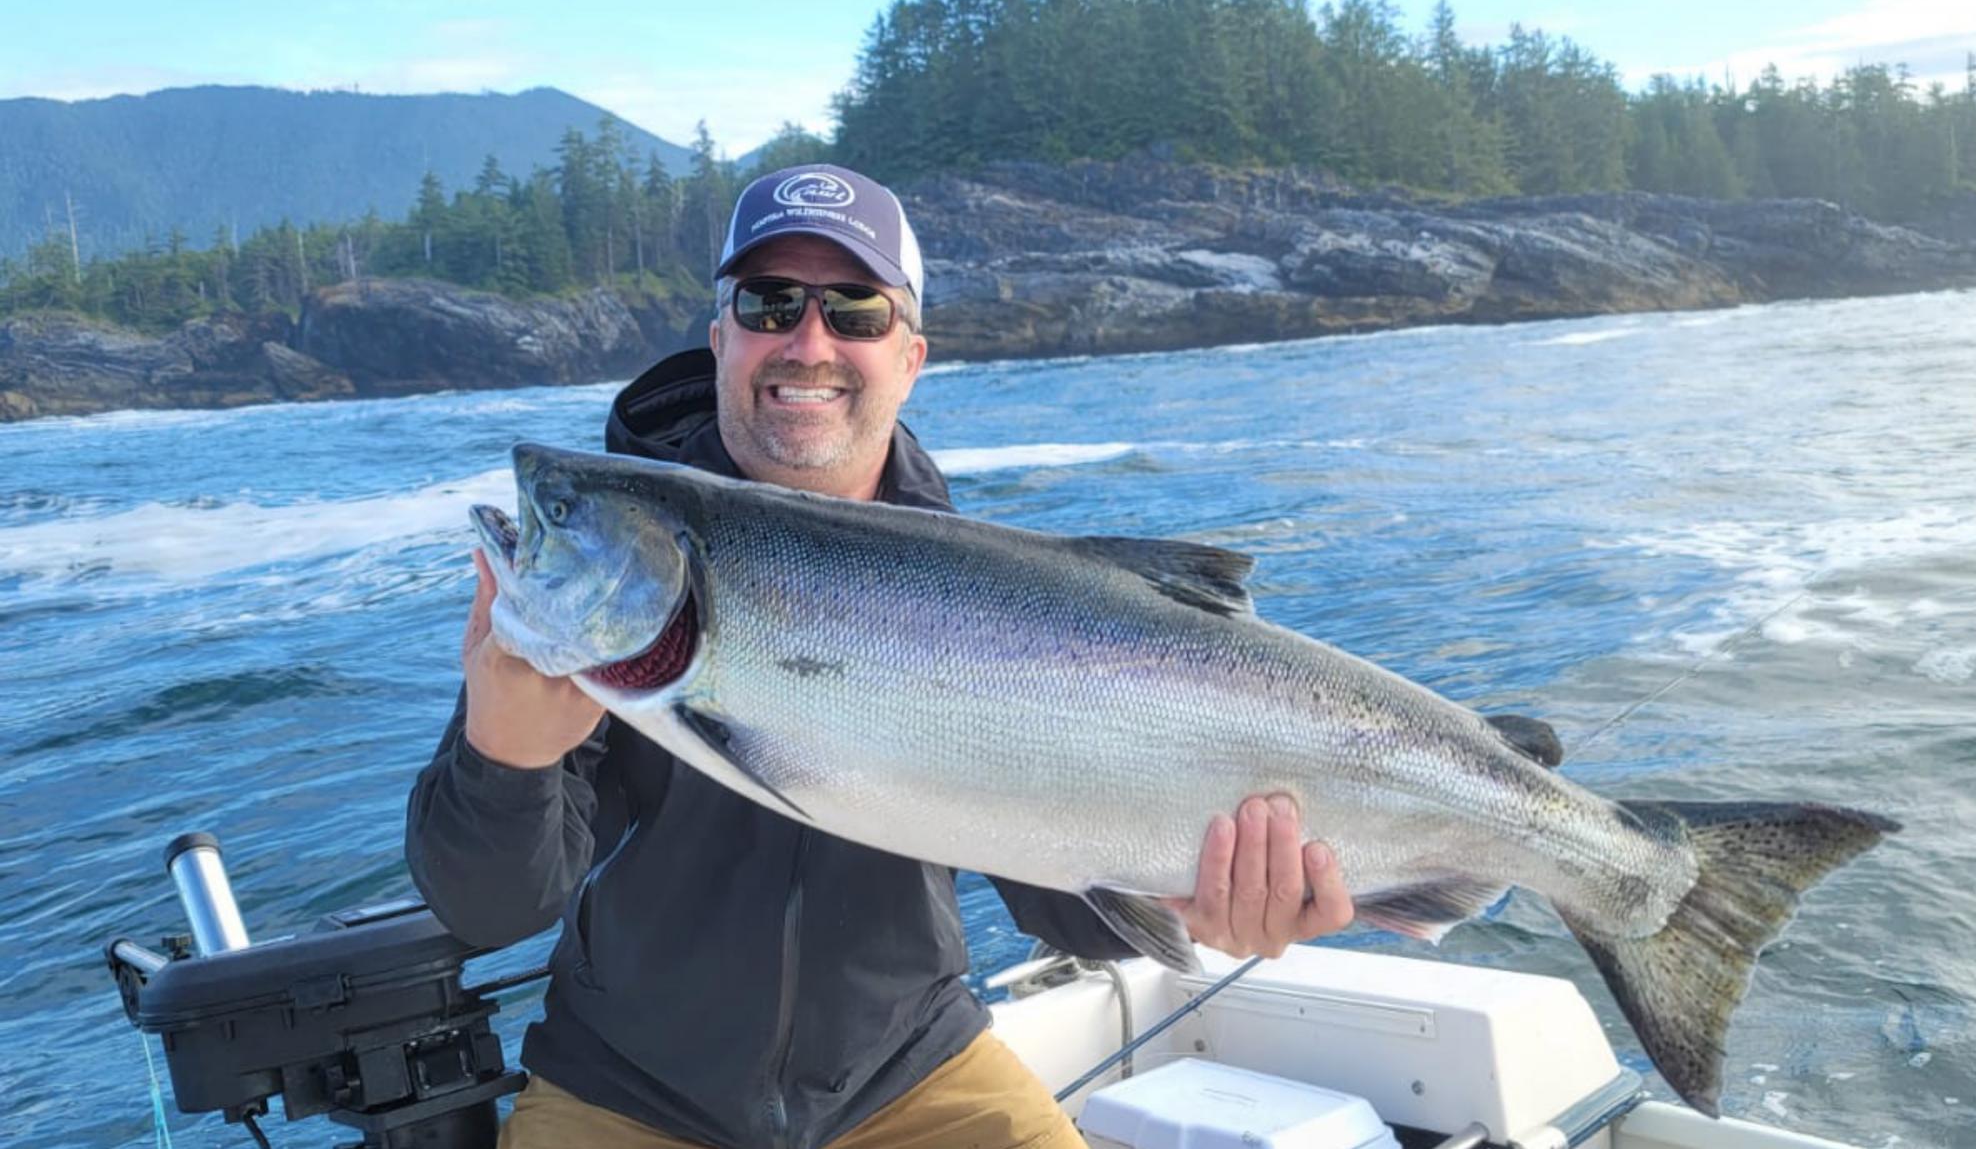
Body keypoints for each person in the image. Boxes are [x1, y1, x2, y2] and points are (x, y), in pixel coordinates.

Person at [405, 164, 1355, 1149]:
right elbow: (488, 904)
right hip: (625, 1094)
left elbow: (1066, 911)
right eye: (768, 303)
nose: (808, 342)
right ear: (721, 337)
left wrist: (1203, 896)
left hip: (912, 1073)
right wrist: (504, 753)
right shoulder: (620, 575)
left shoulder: (997, 602)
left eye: (854, 310)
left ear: (910, 356)